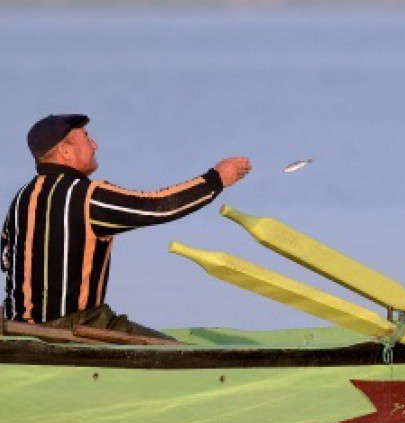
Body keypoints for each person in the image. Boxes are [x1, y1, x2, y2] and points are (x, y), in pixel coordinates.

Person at [1, 113, 251, 338]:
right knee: (176, 352)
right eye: (87, 139)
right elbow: (158, 207)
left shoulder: (22, 198)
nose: (95, 145)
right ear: (65, 152)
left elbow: (6, 261)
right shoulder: (87, 197)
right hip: (74, 328)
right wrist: (215, 179)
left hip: (17, 328)